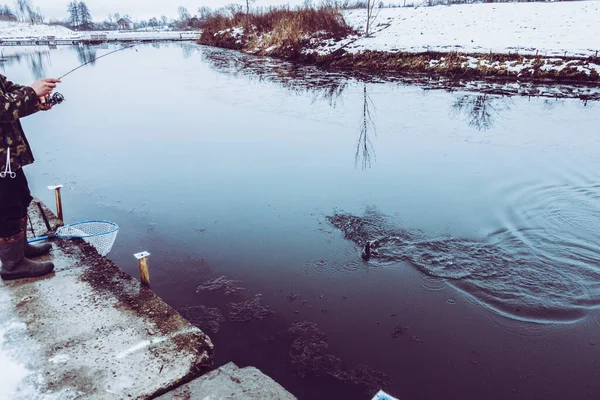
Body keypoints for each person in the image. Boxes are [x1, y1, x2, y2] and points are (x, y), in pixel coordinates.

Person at [0, 75, 61, 281]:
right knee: (6, 208)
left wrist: (37, 98)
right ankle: (12, 265)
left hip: (8, 155)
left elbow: (8, 91)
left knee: (21, 196)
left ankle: (21, 249)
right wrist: (32, 92)